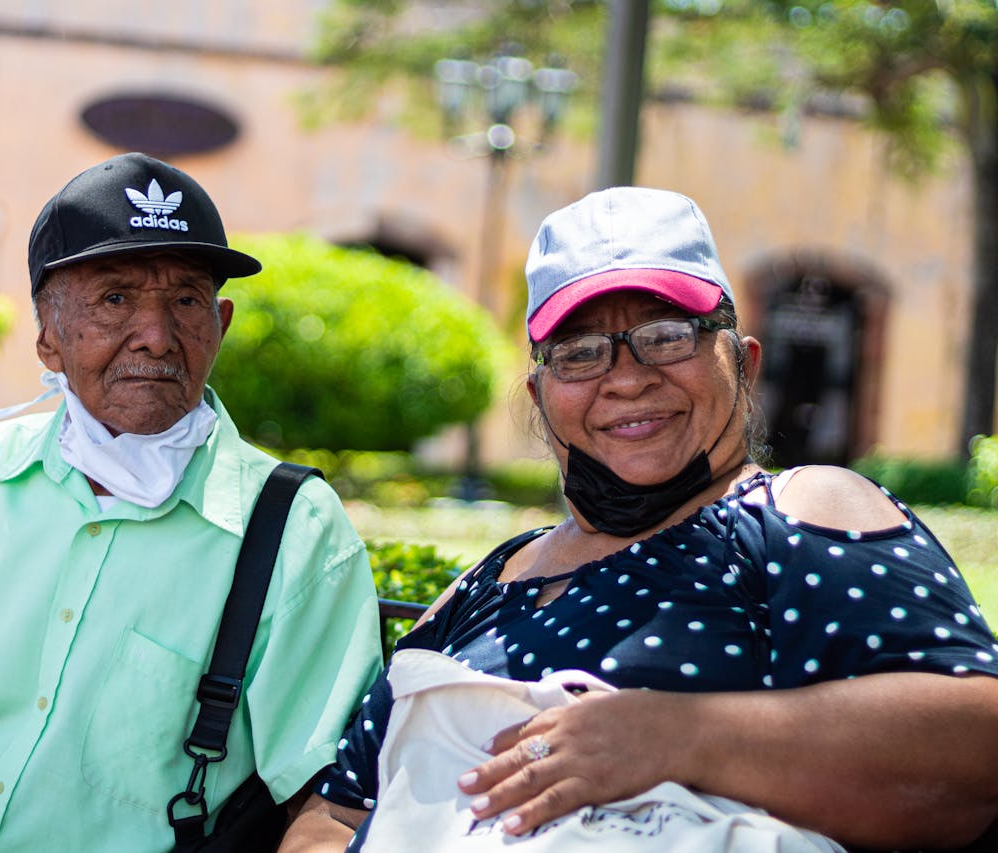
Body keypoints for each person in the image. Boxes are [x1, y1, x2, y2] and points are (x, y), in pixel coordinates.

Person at [281, 187, 998, 852]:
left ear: (742, 360)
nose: (626, 377)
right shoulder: (492, 578)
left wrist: (678, 737)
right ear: (541, 394)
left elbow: (977, 743)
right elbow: (340, 806)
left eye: (667, 335)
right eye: (580, 352)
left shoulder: (796, 513)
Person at [0, 153, 384, 851]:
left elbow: (327, 803)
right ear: (47, 334)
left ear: (221, 323)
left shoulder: (292, 529)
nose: (156, 334)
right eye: (116, 298)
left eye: (185, 300)